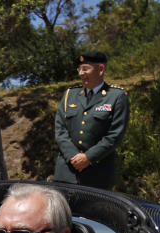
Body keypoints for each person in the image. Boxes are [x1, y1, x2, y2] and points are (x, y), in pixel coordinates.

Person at [53, 51, 129, 191]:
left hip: (98, 175)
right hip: (66, 173)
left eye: (85, 69)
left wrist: (88, 157)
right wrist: (72, 157)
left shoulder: (117, 97)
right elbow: (60, 130)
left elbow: (115, 135)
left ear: (100, 69)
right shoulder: (70, 95)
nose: (81, 73)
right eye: (79, 69)